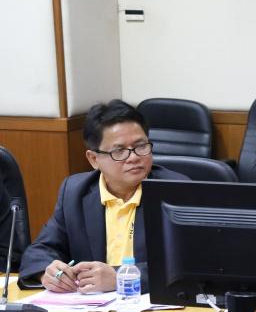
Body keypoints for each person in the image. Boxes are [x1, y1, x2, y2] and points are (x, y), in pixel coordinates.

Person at [18, 100, 188, 293]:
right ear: (94, 159)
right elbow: (38, 252)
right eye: (119, 151)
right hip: (89, 307)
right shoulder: (75, 192)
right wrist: (48, 272)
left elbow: (190, 263)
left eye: (141, 146)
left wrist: (120, 278)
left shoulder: (176, 191)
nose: (133, 157)